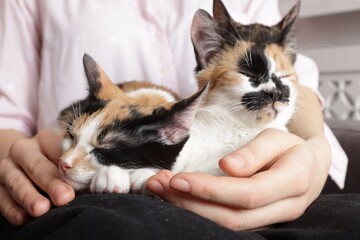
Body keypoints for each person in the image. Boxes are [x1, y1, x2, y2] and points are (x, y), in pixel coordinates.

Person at [0, 0, 354, 239]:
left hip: (262, 193)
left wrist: (316, 148)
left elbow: (292, 76)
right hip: (86, 194)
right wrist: (16, 159)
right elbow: (7, 111)